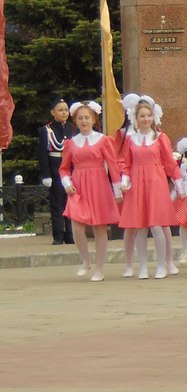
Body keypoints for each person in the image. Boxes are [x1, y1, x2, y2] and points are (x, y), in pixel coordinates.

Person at [118, 96, 180, 280]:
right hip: (138, 183)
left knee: (157, 225)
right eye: (142, 116)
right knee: (140, 227)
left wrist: (179, 184)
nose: (146, 119)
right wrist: (125, 180)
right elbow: (126, 163)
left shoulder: (160, 138)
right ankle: (143, 266)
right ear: (136, 118)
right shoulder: (131, 140)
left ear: (154, 117)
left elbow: (169, 162)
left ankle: (162, 265)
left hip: (156, 182)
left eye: (149, 115)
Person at [59, 101, 121, 282]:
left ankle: (99, 268)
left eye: (87, 117)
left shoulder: (103, 140)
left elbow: (112, 165)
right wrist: (66, 183)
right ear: (75, 121)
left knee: (99, 227)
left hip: (98, 184)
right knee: (76, 224)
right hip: (78, 186)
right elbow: (64, 168)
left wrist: (117, 190)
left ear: (94, 119)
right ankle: (85, 260)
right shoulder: (71, 143)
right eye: (80, 118)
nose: (84, 121)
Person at [37, 97, 75, 245]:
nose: (64, 112)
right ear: (53, 112)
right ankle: (58, 235)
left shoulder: (73, 128)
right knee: (57, 203)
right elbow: (43, 154)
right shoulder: (47, 130)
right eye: (60, 110)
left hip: (70, 169)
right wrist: (46, 174)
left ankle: (70, 235)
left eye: (66, 110)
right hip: (55, 169)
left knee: (70, 202)